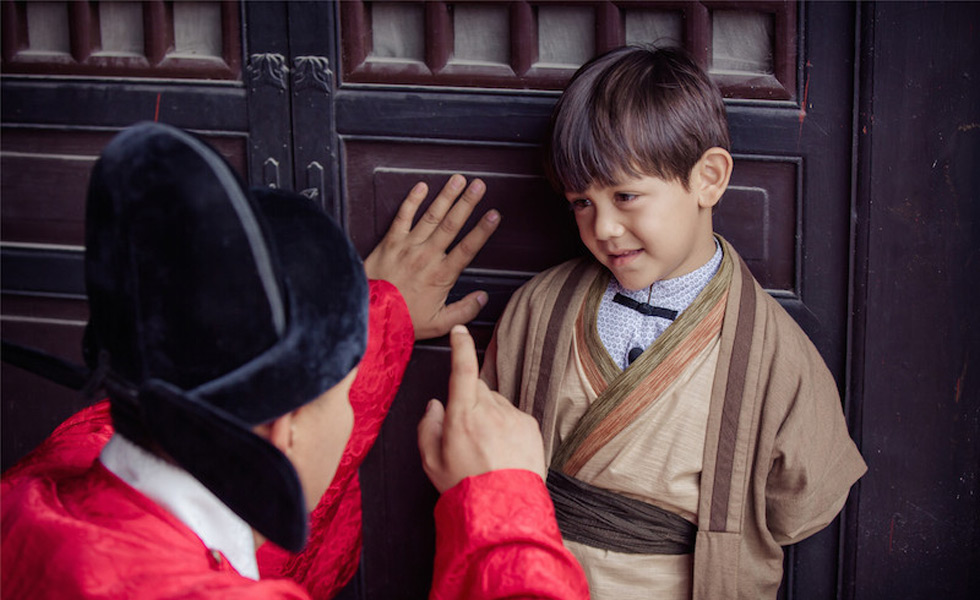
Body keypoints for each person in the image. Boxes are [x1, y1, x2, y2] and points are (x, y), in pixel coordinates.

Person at [0, 122, 588, 600]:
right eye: (344, 390)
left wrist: (369, 313)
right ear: (285, 431)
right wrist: (502, 502)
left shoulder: (31, 497)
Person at [480, 46, 866, 599]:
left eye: (626, 195)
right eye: (581, 202)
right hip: (541, 576)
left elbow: (801, 506)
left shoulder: (775, 353)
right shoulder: (540, 308)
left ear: (708, 178)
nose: (604, 227)